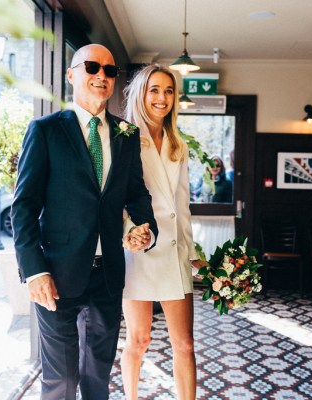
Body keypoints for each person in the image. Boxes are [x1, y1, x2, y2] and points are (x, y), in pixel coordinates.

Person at [11, 44, 158, 400]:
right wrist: (34, 271)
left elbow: (137, 196)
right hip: (56, 276)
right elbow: (24, 206)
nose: (102, 76)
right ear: (72, 74)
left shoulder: (127, 134)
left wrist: (145, 229)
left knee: (97, 377)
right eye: (92, 67)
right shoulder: (45, 130)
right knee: (60, 380)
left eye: (109, 71)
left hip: (107, 275)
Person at [120, 64, 209, 400]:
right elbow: (113, 198)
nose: (162, 98)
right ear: (141, 94)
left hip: (173, 252)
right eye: (154, 90)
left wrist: (194, 256)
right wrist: (127, 232)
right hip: (138, 250)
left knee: (184, 343)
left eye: (169, 91)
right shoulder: (124, 139)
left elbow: (181, 208)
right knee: (139, 339)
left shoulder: (178, 144)